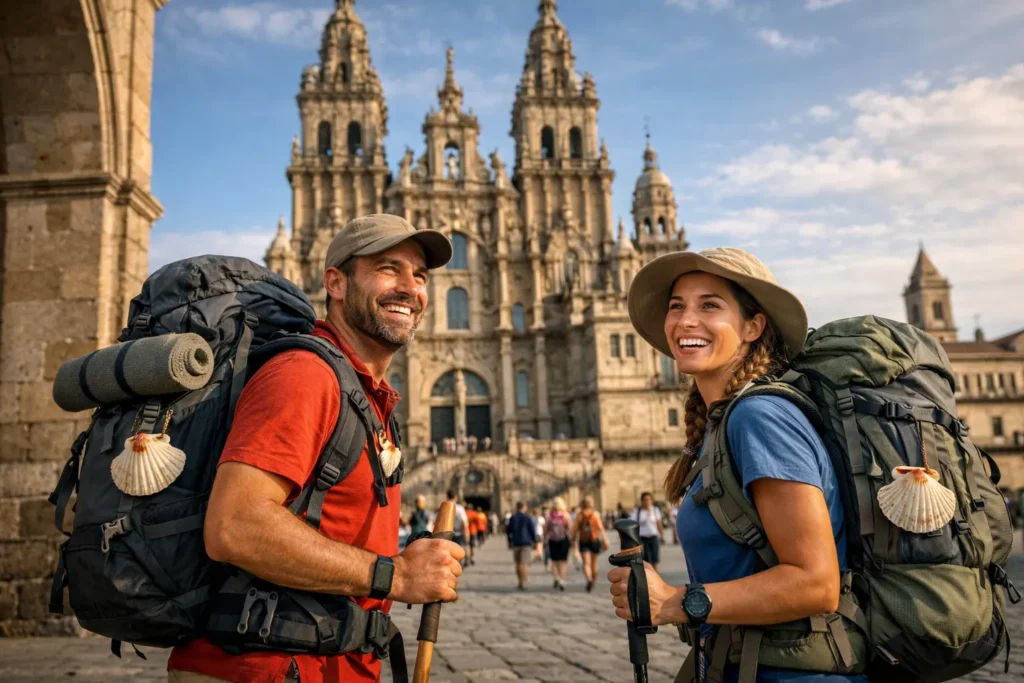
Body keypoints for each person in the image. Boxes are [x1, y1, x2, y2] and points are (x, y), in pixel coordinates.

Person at [167, 214, 464, 683]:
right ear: (336, 283)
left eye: (420, 275)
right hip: (263, 669)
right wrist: (398, 577)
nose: (410, 287)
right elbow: (234, 526)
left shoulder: (363, 392)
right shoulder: (305, 376)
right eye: (388, 269)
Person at [608, 247, 866, 682]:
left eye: (710, 305)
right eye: (677, 306)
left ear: (753, 326)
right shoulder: (722, 424)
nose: (686, 320)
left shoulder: (760, 417)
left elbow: (816, 583)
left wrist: (675, 601)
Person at [572, 496, 609, 592]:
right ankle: (593, 581)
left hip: (583, 541)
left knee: (586, 563)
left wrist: (573, 541)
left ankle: (588, 579)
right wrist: (605, 540)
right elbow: (601, 528)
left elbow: (574, 530)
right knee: (594, 563)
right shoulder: (595, 514)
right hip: (594, 540)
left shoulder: (579, 515)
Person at [507, 501, 538, 590]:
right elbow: (532, 530)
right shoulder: (527, 517)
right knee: (524, 563)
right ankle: (524, 581)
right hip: (526, 542)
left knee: (517, 563)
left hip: (516, 542)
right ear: (524, 507)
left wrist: (509, 541)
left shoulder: (513, 518)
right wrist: (535, 541)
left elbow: (509, 530)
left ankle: (519, 581)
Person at [545, 497, 572, 591]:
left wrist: (544, 540)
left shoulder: (550, 516)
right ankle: (562, 580)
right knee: (563, 562)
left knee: (554, 561)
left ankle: (556, 577)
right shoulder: (565, 515)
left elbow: (545, 530)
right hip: (563, 540)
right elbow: (569, 528)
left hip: (552, 540)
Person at [632, 491, 664, 570]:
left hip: (654, 537)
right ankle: (647, 579)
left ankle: (655, 577)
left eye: (649, 499)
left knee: (655, 560)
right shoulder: (638, 512)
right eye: (645, 499)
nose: (647, 501)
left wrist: (662, 535)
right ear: (642, 501)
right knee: (646, 561)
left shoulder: (655, 510)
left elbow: (659, 524)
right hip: (642, 539)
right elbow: (633, 525)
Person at [448, 489, 470, 566]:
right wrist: (467, 533)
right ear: (456, 497)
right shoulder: (459, 508)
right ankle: (461, 563)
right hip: (458, 533)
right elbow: (464, 522)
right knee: (460, 549)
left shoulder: (444, 507)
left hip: (447, 534)